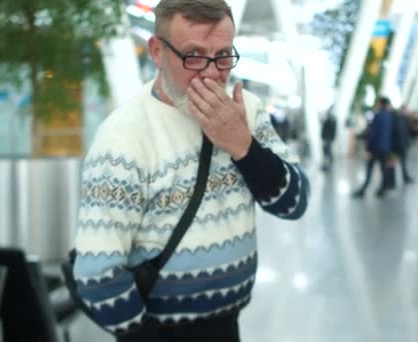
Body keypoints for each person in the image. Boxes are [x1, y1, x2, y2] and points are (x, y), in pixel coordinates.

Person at [71, 1, 310, 341]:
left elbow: (295, 203)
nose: (212, 73)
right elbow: (97, 275)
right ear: (157, 52)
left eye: (223, 55)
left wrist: (244, 146)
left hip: (228, 324)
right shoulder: (123, 138)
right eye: (194, 55)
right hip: (158, 332)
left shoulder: (247, 112)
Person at [353, 97, 394, 198]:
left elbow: (373, 133)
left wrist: (368, 147)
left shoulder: (378, 115)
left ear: (380, 104)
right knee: (383, 169)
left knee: (370, 168)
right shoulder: (389, 116)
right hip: (385, 147)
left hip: (375, 148)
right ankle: (382, 189)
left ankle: (363, 189)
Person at [391, 105, 414, 184]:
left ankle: (405, 177)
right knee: (392, 164)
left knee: (403, 163)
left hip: (403, 145)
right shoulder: (397, 119)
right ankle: (392, 181)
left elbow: (407, 132)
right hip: (398, 146)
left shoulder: (405, 119)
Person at [320, 106, 337, 171]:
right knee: (325, 152)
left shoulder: (333, 120)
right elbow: (324, 129)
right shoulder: (327, 119)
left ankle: (329, 165)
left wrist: (332, 138)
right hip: (326, 138)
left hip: (329, 139)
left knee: (328, 152)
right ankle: (326, 165)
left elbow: (333, 130)